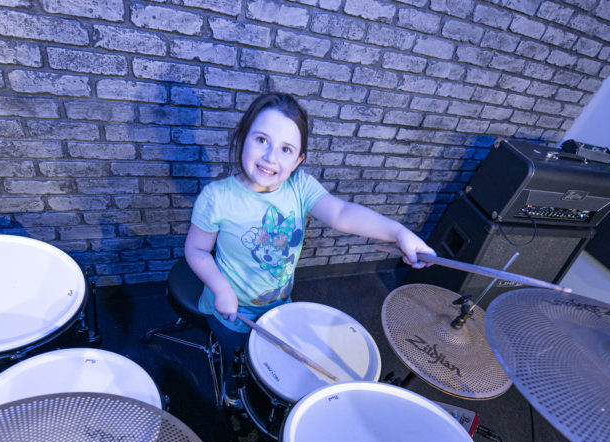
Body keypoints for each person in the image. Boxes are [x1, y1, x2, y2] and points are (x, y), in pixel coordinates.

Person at [184, 92, 435, 409]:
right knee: (236, 362)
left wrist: (399, 232)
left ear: (298, 159)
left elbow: (342, 214)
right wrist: (220, 288)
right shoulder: (216, 197)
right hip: (231, 313)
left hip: (279, 308)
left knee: (271, 363)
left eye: (286, 149)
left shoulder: (299, 186)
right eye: (261, 140)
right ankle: (232, 392)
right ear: (243, 136)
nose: (271, 157)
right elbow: (195, 249)